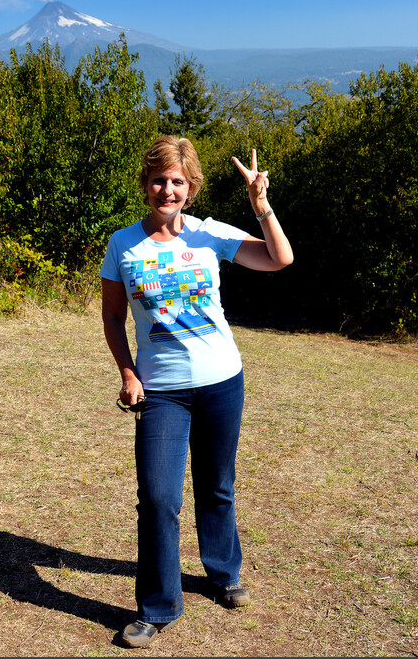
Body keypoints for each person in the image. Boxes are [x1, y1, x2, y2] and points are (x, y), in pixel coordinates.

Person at [100, 135, 293, 648]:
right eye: (160, 179)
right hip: (160, 390)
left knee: (217, 484)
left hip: (222, 381)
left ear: (191, 188)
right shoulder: (122, 243)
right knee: (158, 498)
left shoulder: (211, 236)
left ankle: (223, 572)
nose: (168, 189)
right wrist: (127, 372)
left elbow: (280, 259)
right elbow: (114, 316)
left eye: (178, 181)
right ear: (147, 185)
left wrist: (262, 207)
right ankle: (158, 606)